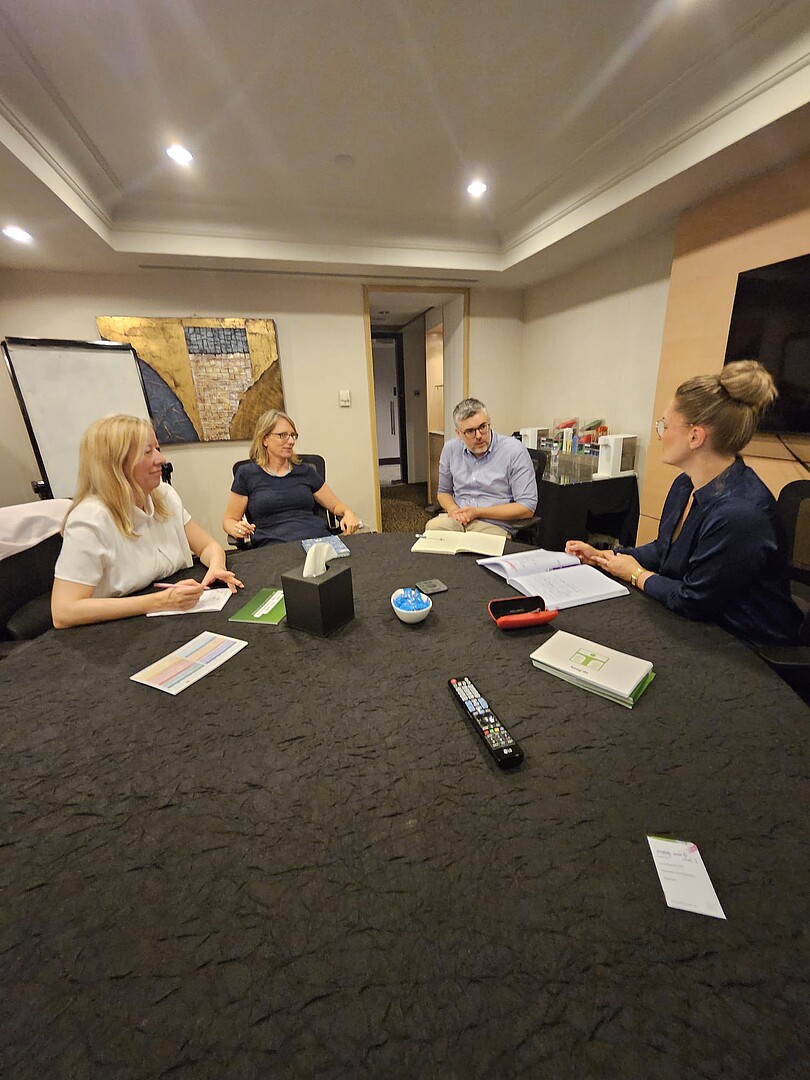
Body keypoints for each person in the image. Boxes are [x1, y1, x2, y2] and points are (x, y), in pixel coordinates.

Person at [565, 361, 802, 646]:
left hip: (747, 647)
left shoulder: (739, 513)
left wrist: (636, 574)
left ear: (695, 436)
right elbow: (664, 550)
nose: (660, 434)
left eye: (664, 425)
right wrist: (606, 557)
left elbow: (693, 600)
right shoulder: (685, 485)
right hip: (700, 626)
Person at [52, 415, 243, 628]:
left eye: (157, 449)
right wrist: (159, 602)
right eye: (147, 452)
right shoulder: (89, 520)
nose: (161, 459)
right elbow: (63, 612)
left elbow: (208, 546)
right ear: (116, 464)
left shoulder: (165, 495)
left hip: (174, 620)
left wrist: (216, 566)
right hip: (120, 632)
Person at [223, 409, 361, 546]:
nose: (290, 441)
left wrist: (348, 512)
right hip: (274, 546)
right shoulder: (247, 474)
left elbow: (336, 505)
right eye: (282, 435)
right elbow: (229, 520)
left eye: (293, 435)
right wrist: (237, 529)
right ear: (265, 439)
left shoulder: (306, 471)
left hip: (317, 541)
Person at [428, 398, 538, 537]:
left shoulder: (514, 450)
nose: (479, 436)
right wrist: (453, 509)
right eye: (470, 431)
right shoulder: (450, 449)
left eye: (482, 427)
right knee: (432, 533)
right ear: (458, 433)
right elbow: (444, 492)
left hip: (494, 524)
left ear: (489, 423)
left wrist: (478, 512)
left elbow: (527, 507)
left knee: (475, 548)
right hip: (457, 519)